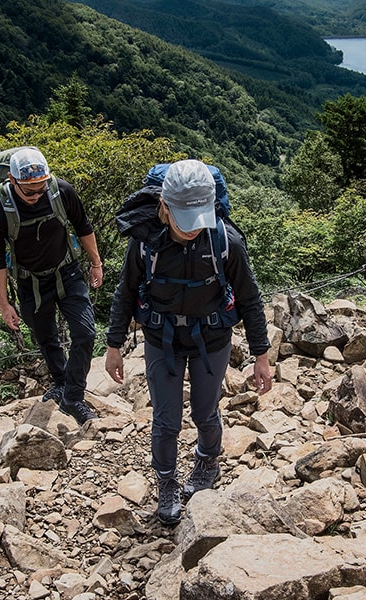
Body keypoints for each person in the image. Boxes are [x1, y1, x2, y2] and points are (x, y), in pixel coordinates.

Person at [104, 159, 274, 525]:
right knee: (166, 420)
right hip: (160, 338)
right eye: (185, 220)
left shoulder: (225, 241)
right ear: (164, 207)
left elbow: (250, 298)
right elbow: (125, 291)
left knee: (204, 411)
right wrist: (113, 345)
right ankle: (166, 482)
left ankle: (207, 461)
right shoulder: (144, 242)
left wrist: (262, 355)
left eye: (199, 218)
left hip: (211, 338)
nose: (194, 230)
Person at [0, 147, 103, 426]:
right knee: (45, 337)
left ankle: (74, 397)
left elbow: (83, 226)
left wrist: (96, 262)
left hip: (68, 272)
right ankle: (61, 382)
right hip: (31, 282)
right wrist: (4, 303)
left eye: (41, 187)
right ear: (12, 182)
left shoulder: (60, 191)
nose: (36, 194)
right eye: (29, 191)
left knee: (85, 333)